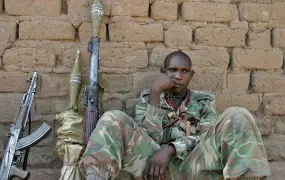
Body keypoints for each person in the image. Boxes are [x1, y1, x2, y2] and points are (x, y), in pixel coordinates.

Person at [79, 51, 270, 180]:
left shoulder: (204, 101)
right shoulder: (148, 97)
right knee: (113, 118)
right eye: (172, 70)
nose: (178, 76)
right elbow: (146, 138)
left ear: (191, 75)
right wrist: (155, 92)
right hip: (154, 170)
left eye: (184, 71)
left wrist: (170, 149)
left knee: (238, 115)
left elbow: (205, 138)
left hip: (194, 168)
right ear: (163, 72)